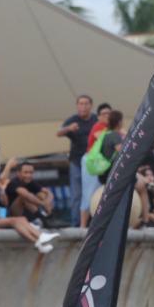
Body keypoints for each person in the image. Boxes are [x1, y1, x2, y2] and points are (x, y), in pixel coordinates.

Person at [0, 155, 57, 253]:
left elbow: (5, 203)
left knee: (22, 219)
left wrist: (1, 189)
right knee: (14, 221)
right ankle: (40, 236)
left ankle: (39, 241)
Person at [57, 95, 96, 225]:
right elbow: (58, 133)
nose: (83, 106)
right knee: (77, 195)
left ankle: (92, 222)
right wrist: (69, 128)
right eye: (80, 104)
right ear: (77, 106)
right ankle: (76, 223)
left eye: (86, 104)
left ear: (91, 105)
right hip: (77, 162)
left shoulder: (95, 119)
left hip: (93, 164)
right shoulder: (73, 120)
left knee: (92, 193)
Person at [5, 161, 54, 226]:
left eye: (31, 173)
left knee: (42, 195)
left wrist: (47, 202)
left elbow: (48, 192)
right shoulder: (14, 182)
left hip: (28, 212)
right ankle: (41, 218)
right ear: (18, 173)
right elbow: (26, 195)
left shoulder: (30, 182)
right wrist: (43, 204)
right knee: (23, 197)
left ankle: (48, 216)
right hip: (11, 213)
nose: (28, 175)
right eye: (25, 172)